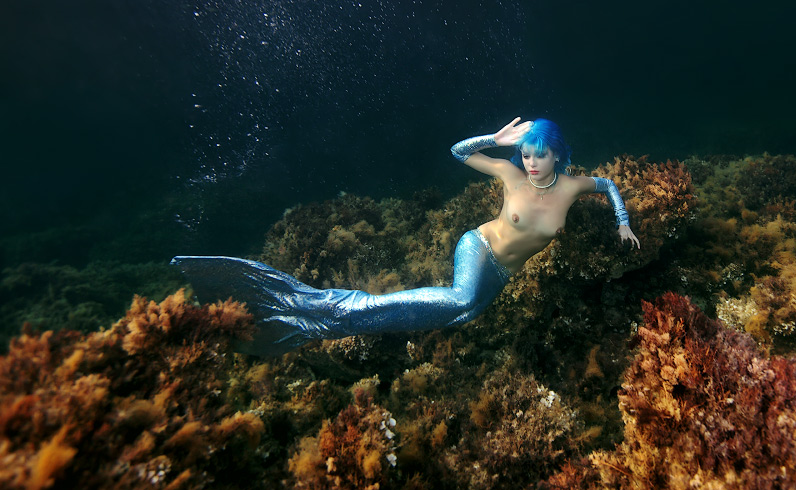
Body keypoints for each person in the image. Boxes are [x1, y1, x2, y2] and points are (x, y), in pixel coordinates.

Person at [172, 118, 640, 357]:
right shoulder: (510, 173)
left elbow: (609, 186)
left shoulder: (574, 186)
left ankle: (326, 316)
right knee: (459, 299)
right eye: (526, 153)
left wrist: (622, 221)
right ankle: (332, 311)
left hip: (500, 277)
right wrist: (494, 139)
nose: (531, 162)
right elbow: (457, 152)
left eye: (540, 155)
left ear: (557, 155)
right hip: (478, 249)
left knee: (466, 312)